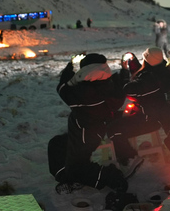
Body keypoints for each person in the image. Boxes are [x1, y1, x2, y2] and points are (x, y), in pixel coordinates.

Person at [55, 53, 131, 189]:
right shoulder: (109, 84)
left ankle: (110, 176)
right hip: (97, 130)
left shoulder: (83, 92)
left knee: (77, 168)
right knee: (56, 144)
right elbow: (122, 84)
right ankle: (66, 175)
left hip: (83, 135)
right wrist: (124, 70)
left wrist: (69, 67)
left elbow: (62, 88)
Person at [108, 47, 170, 171]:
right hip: (150, 115)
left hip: (149, 120)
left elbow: (130, 90)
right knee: (113, 117)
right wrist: (132, 63)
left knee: (113, 129)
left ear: (147, 60)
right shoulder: (159, 71)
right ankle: (122, 153)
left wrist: (123, 72)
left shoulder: (149, 78)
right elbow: (141, 76)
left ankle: (130, 159)